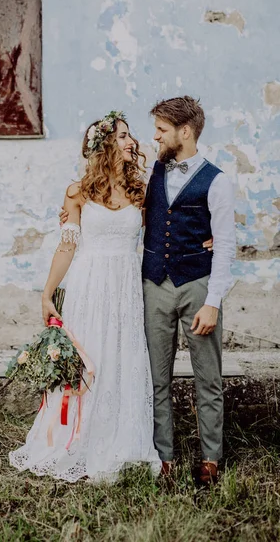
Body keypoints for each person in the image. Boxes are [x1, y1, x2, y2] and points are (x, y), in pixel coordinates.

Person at [9, 111, 161, 482]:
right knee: (90, 358)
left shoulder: (140, 190)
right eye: (122, 136)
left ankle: (121, 440)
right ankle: (76, 439)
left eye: (130, 136)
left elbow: (165, 231)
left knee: (121, 358)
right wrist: (47, 294)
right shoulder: (77, 193)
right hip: (89, 288)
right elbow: (67, 246)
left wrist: (203, 241)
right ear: (105, 145)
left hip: (125, 289)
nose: (131, 142)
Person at [143, 96, 236, 484]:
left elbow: (226, 244)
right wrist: (76, 207)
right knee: (156, 376)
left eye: (162, 130)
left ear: (185, 132)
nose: (156, 137)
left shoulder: (217, 180)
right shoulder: (154, 172)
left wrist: (213, 303)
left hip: (197, 285)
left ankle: (210, 457)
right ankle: (162, 456)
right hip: (154, 285)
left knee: (207, 376)